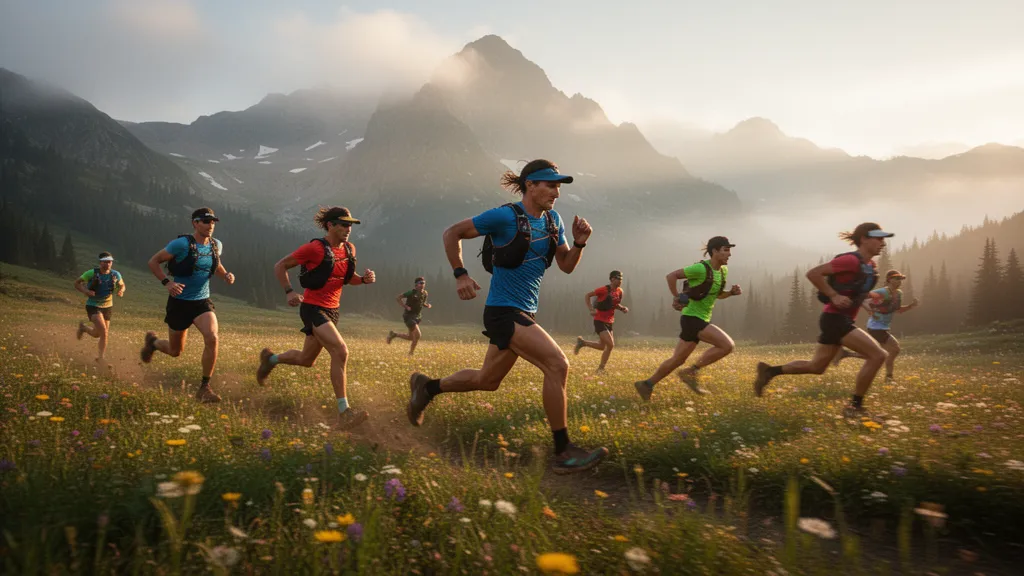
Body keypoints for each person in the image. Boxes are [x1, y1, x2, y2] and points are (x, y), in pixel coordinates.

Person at [404, 159, 608, 475]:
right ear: (530, 185)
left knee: (487, 381)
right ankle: (564, 451)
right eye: (551, 185)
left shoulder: (555, 221)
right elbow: (452, 232)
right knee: (557, 365)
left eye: (559, 186)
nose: (557, 192)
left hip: (525, 310)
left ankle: (426, 388)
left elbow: (566, 265)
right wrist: (460, 274)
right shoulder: (504, 216)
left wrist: (580, 242)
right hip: (502, 311)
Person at [753, 223, 893, 417]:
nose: (882, 243)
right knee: (878, 355)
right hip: (836, 319)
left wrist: (867, 298)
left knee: (817, 367)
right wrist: (833, 295)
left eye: (883, 239)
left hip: (836, 319)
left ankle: (769, 371)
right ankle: (854, 407)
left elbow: (853, 289)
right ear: (864, 239)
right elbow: (813, 273)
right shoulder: (850, 261)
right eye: (878, 238)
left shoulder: (870, 266)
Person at [255, 206, 375, 430]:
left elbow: (348, 279)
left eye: (351, 225)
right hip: (313, 308)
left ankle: (270, 359)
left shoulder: (349, 249)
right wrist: (289, 291)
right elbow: (280, 266)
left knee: (305, 360)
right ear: (330, 225)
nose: (349, 229)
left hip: (333, 310)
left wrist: (365, 280)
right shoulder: (314, 248)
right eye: (344, 224)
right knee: (340, 351)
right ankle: (344, 412)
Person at [140, 208, 235, 403]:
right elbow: (154, 261)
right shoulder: (181, 244)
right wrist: (168, 283)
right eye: (206, 222)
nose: (210, 226)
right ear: (195, 223)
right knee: (175, 351)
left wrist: (225, 274)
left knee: (212, 337)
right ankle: (153, 343)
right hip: (179, 303)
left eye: (213, 222)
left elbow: (215, 264)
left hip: (202, 302)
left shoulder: (216, 245)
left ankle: (204, 388)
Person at [634, 237, 742, 401]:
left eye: (729, 250)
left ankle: (647, 384)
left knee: (678, 359)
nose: (729, 254)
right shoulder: (699, 268)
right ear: (714, 251)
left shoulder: (722, 271)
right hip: (693, 318)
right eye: (725, 250)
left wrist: (731, 293)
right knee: (727, 345)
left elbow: (717, 295)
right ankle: (691, 371)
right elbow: (671, 276)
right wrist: (677, 297)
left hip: (699, 318)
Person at [833, 269, 919, 381]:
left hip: (883, 328)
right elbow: (862, 299)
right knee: (894, 349)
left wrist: (911, 306)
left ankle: (846, 354)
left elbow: (897, 310)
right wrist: (870, 310)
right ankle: (889, 377)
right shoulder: (882, 292)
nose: (899, 281)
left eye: (900, 279)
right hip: (876, 327)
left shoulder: (898, 294)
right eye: (896, 278)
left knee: (877, 354)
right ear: (889, 280)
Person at [573, 270, 629, 373]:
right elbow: (587, 295)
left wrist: (622, 308)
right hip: (599, 320)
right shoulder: (603, 289)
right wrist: (591, 309)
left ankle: (582, 343)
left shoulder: (620, 291)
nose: (620, 281)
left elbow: (614, 304)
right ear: (612, 279)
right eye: (618, 278)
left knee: (602, 346)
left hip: (610, 321)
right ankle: (601, 369)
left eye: (621, 279)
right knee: (611, 345)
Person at [74, 251, 125, 361]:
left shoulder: (116, 274)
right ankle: (101, 358)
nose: (107, 264)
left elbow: (122, 285)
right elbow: (77, 283)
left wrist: (121, 290)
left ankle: (83, 328)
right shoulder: (91, 273)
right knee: (104, 332)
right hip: (93, 306)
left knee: (97, 334)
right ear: (100, 262)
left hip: (107, 307)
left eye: (109, 262)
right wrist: (86, 291)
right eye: (105, 262)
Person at [387, 277, 431, 356]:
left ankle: (394, 334)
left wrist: (427, 305)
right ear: (416, 285)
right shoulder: (411, 292)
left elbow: (423, 302)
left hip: (417, 317)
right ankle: (411, 354)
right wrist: (405, 306)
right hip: (409, 316)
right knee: (418, 335)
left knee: (411, 337)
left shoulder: (425, 293)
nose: (422, 285)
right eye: (420, 283)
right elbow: (398, 298)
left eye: (424, 283)